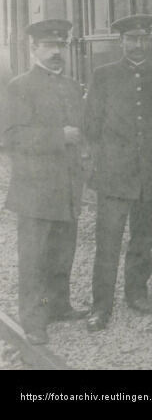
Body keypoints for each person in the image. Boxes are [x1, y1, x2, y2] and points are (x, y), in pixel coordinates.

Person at [83, 14, 152, 331]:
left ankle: (137, 294)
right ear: (121, 42)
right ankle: (101, 306)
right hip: (114, 175)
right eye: (131, 39)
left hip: (147, 174)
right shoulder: (103, 75)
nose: (137, 45)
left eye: (143, 39)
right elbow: (91, 125)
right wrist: (101, 162)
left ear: (149, 41)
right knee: (107, 243)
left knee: (142, 240)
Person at [4, 19, 88, 344]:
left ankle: (59, 306)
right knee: (35, 258)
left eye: (61, 46)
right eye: (49, 46)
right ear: (34, 48)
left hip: (66, 187)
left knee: (62, 252)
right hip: (35, 190)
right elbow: (11, 137)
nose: (56, 52)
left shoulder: (70, 86)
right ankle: (34, 320)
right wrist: (59, 136)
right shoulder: (19, 86)